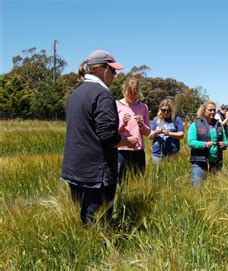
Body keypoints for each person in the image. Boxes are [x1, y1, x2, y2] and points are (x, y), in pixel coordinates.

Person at [61, 50, 137, 224]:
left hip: (74, 168)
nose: (115, 76)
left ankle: (84, 250)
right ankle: (99, 251)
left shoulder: (77, 93)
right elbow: (107, 135)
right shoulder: (102, 94)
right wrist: (128, 142)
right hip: (96, 173)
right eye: (113, 71)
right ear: (102, 69)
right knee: (98, 223)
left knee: (83, 220)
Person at [116, 77, 151, 180]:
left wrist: (141, 125)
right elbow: (110, 132)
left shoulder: (143, 107)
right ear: (124, 90)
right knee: (120, 181)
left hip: (138, 151)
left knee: (138, 180)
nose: (132, 95)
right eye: (129, 92)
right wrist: (122, 123)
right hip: (121, 150)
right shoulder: (116, 105)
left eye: (135, 93)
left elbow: (148, 132)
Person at [187, 101, 228, 186]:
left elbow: (225, 140)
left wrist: (224, 144)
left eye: (214, 110)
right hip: (199, 161)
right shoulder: (195, 124)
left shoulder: (219, 125)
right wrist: (204, 144)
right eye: (210, 110)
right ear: (204, 110)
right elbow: (190, 142)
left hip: (216, 162)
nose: (212, 112)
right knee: (198, 186)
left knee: (215, 187)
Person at [149, 99, 184, 166]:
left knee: (172, 174)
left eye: (168, 110)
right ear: (160, 109)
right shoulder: (155, 119)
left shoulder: (176, 119)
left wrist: (168, 133)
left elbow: (181, 135)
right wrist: (156, 132)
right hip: (157, 153)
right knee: (157, 174)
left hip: (172, 153)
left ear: (172, 110)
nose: (166, 112)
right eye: (163, 110)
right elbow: (150, 136)